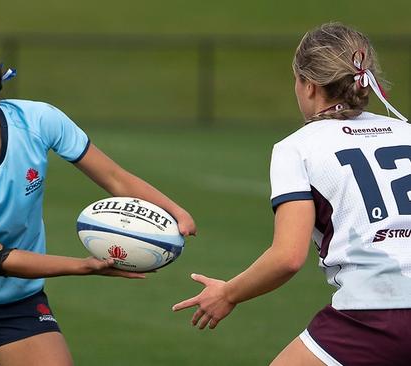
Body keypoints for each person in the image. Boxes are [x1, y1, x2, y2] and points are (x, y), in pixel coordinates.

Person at [0, 40, 196, 366]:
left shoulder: (38, 120)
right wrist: (83, 266)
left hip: (15, 295)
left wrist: (175, 211)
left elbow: (115, 178)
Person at [172, 22, 411, 366]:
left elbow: (287, 257)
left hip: (371, 317)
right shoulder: (404, 131)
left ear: (309, 85)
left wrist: (227, 294)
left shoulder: (297, 148)